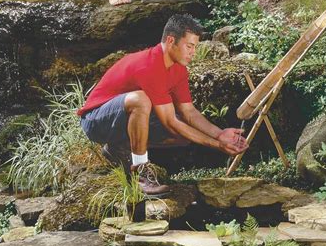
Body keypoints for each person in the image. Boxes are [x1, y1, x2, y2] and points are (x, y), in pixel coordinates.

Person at [78, 14, 248, 196]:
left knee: (184, 135)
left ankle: (118, 148)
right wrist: (217, 145)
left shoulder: (178, 69)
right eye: (189, 46)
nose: (193, 52)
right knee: (141, 100)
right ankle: (140, 171)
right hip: (95, 121)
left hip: (121, 122)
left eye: (195, 47)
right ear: (170, 40)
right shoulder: (149, 64)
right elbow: (169, 121)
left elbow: (188, 112)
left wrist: (220, 134)